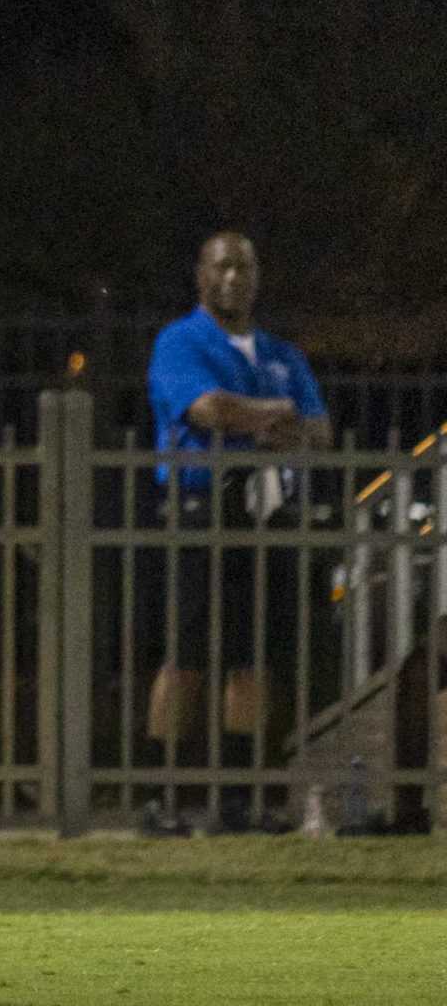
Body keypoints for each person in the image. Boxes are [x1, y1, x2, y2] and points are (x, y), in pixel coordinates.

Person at [144, 230, 331, 760]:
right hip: (200, 507)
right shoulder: (179, 341)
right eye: (222, 267)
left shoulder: (281, 353)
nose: (232, 278)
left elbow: (321, 430)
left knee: (254, 654)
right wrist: (276, 414)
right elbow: (208, 410)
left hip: (267, 510)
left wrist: (257, 418)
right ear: (201, 275)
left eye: (243, 268)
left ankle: (240, 788)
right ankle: (169, 787)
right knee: (187, 653)